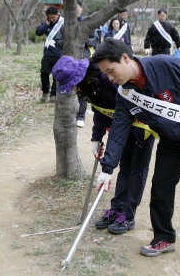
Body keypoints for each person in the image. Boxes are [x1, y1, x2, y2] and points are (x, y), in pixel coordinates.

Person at [91, 38, 180, 263]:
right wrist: (108, 168)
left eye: (111, 71)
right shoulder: (124, 95)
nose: (111, 78)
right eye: (106, 74)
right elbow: (118, 132)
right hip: (171, 141)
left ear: (125, 58)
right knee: (161, 188)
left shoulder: (166, 65)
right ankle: (164, 237)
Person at [52, 56, 155, 234]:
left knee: (136, 170)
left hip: (141, 126)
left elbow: (132, 102)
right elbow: (100, 111)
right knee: (124, 168)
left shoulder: (106, 79)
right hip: (120, 130)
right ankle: (117, 208)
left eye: (72, 84)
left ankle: (128, 215)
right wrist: (96, 136)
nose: (73, 89)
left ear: (79, 78)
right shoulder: (88, 88)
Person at [76, 0, 99, 127]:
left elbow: (95, 40)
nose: (75, 10)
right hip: (71, 59)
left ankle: (80, 116)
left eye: (77, 7)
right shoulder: (66, 23)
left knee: (83, 88)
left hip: (85, 59)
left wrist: (81, 41)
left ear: (81, 8)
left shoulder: (88, 23)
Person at [35, 6, 64, 103]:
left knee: (57, 75)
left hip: (59, 54)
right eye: (49, 17)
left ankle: (53, 94)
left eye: (53, 17)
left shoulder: (63, 23)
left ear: (58, 14)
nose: (51, 19)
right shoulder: (47, 23)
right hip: (47, 54)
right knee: (44, 73)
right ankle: (45, 91)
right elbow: (38, 32)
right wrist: (45, 25)